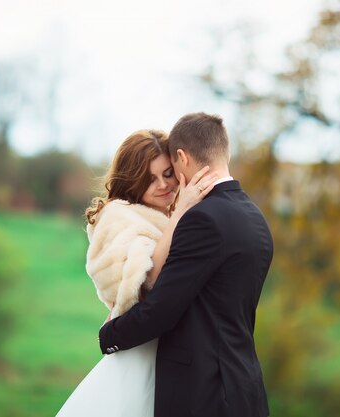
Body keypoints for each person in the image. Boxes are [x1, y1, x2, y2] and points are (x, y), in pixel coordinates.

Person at [99, 113, 274, 417]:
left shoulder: (200, 219)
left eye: (169, 171)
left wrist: (109, 336)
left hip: (203, 396)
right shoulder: (255, 217)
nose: (167, 183)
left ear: (181, 157)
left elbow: (161, 311)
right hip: (245, 388)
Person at [56, 129, 217, 417]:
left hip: (177, 355)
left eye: (167, 174)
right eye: (149, 179)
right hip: (141, 354)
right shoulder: (118, 216)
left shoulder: (174, 211)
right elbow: (148, 279)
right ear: (132, 181)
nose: (163, 185)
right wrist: (180, 213)